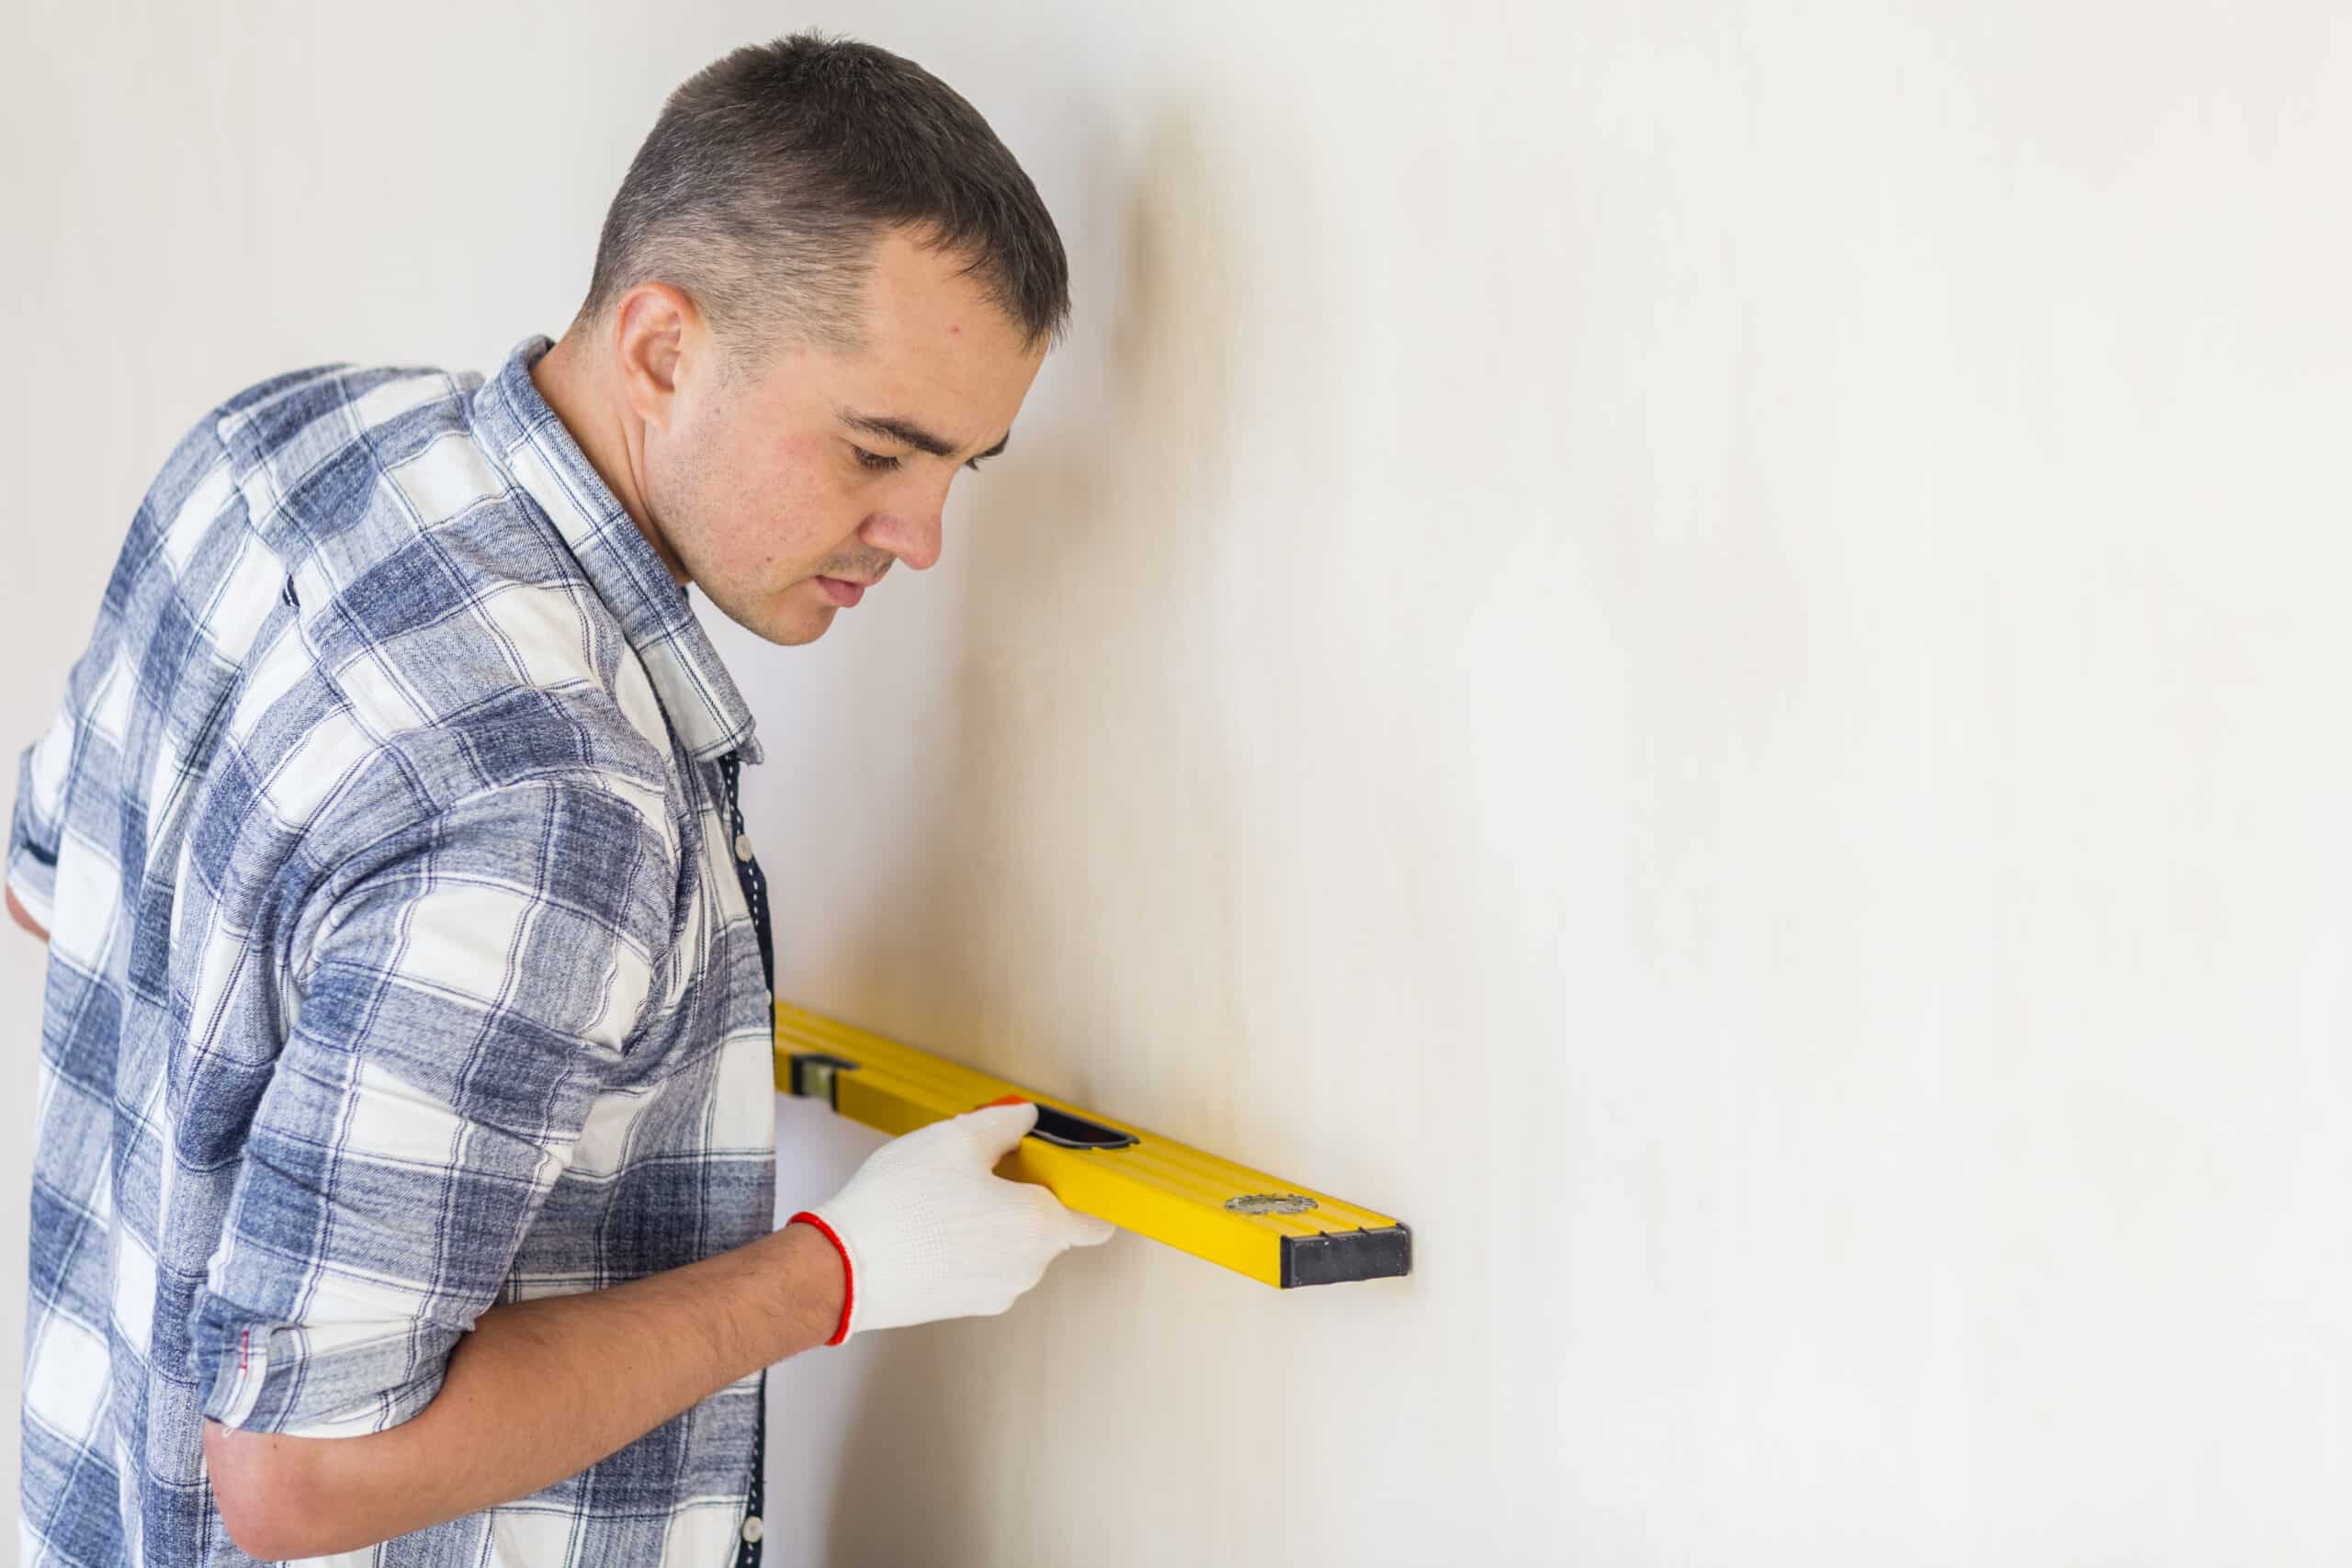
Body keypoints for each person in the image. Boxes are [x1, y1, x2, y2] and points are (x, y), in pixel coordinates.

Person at [8, 30, 1115, 1566]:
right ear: (663, 346)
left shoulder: (286, 446)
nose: (921, 536)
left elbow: (48, 882)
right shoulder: (556, 792)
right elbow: (301, 1477)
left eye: (964, 470)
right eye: (879, 449)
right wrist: (834, 1274)